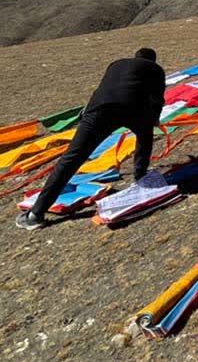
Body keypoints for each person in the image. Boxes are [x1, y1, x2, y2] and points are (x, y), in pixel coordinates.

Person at [15, 48, 166, 230]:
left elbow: (102, 88)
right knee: (145, 136)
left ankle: (36, 213)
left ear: (135, 57)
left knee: (72, 158)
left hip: (100, 110)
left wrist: (87, 113)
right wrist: (153, 120)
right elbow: (157, 99)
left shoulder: (116, 64)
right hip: (134, 109)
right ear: (152, 60)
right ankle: (140, 175)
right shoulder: (156, 69)